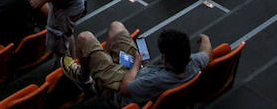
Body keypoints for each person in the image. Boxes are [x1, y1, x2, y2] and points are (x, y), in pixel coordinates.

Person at [67, 25, 214, 106]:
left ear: (165, 57)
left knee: (84, 37)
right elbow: (207, 52)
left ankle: (85, 79)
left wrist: (136, 65)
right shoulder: (193, 64)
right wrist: (204, 38)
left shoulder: (156, 81)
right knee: (116, 27)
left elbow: (125, 88)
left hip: (118, 90)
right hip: (139, 73)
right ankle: (105, 68)